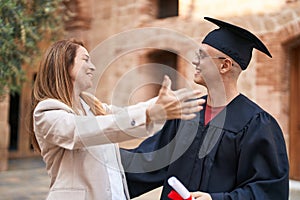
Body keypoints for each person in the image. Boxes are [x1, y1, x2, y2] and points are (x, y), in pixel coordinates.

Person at [120, 17, 289, 200]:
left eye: (202, 55)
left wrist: (215, 199)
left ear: (224, 65)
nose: (194, 61)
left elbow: (268, 191)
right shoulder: (187, 113)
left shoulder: (256, 125)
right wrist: (99, 151)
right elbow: (148, 161)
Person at [28, 39, 204, 200]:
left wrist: (158, 107)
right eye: (85, 59)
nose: (93, 67)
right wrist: (150, 112)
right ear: (64, 65)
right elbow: (82, 131)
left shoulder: (93, 107)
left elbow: (123, 117)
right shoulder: (47, 113)